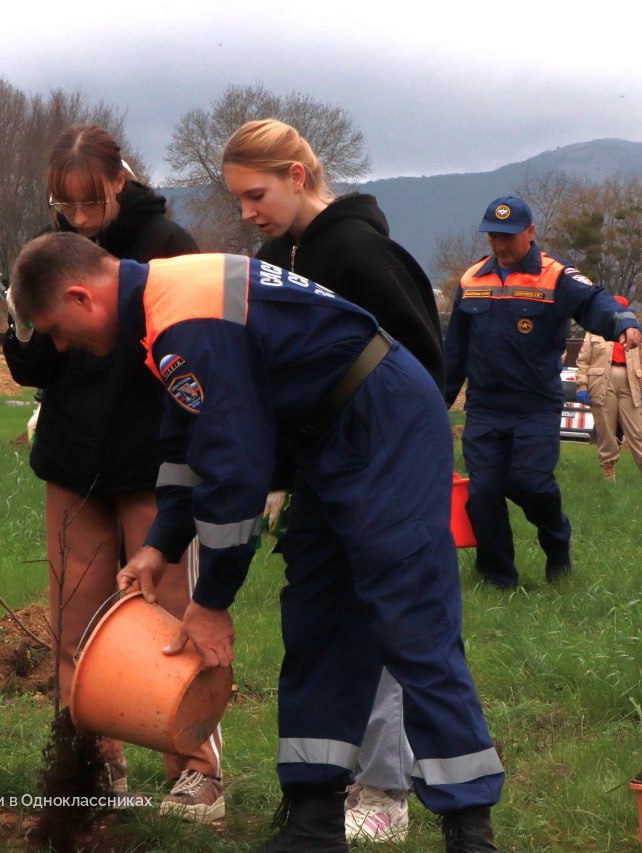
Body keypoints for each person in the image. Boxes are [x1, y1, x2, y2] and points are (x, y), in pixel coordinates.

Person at [10, 232, 505, 853]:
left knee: (409, 618)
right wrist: (159, 546)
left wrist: (211, 600)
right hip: (329, 435)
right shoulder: (162, 311)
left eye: (56, 329)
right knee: (318, 616)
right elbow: (185, 445)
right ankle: (313, 822)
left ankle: (469, 829)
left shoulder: (186, 318)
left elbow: (235, 470)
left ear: (82, 295)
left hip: (384, 424)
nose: (61, 346)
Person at [222, 117, 442, 842]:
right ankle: (317, 803)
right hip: (320, 477)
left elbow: (423, 370)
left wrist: (379, 458)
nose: (248, 211)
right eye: (239, 200)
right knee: (319, 632)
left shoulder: (359, 252)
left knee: (385, 631)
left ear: (297, 174)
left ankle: (386, 787)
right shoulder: (275, 258)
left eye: (257, 194)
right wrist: (281, 472)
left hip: (379, 474)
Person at [1, 125, 225, 822]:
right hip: (73, 461)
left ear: (119, 181)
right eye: (66, 204)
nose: (81, 217)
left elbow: (192, 364)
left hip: (152, 464)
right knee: (78, 619)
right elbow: (33, 366)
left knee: (168, 617)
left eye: (91, 201)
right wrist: (24, 326)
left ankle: (196, 767)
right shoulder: (50, 255)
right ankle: (92, 761)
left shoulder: (168, 249)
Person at [444, 196, 642, 589]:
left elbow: (594, 300)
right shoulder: (472, 282)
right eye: (493, 237)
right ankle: (498, 578)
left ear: (530, 232)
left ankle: (556, 541)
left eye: (508, 237)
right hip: (485, 406)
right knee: (483, 493)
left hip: (535, 405)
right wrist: (438, 402)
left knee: (529, 483)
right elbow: (455, 352)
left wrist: (623, 322)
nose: (500, 246)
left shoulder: (555, 277)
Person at [574, 295, 642, 481]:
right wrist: (582, 385)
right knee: (606, 429)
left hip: (630, 380)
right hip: (602, 380)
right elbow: (583, 360)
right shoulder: (594, 331)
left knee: (636, 429)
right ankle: (608, 470)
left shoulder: (635, 332)